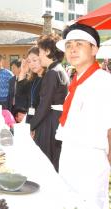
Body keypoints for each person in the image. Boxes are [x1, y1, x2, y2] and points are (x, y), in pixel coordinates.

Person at [55, 23, 111, 209]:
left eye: (79, 44)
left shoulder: (104, 81)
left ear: (94, 49)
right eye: (69, 45)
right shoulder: (77, 81)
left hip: (91, 159)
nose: (72, 50)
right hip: (69, 153)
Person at [29, 34, 69, 172]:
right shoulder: (59, 70)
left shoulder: (52, 73)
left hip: (50, 123)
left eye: (39, 52)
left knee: (45, 164)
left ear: (47, 51)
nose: (39, 56)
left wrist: (30, 126)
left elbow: (44, 106)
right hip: (55, 120)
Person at [16, 46, 45, 123]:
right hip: (31, 119)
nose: (31, 64)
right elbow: (20, 92)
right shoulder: (33, 79)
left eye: (34, 60)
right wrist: (23, 72)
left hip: (42, 121)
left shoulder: (48, 79)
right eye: (29, 61)